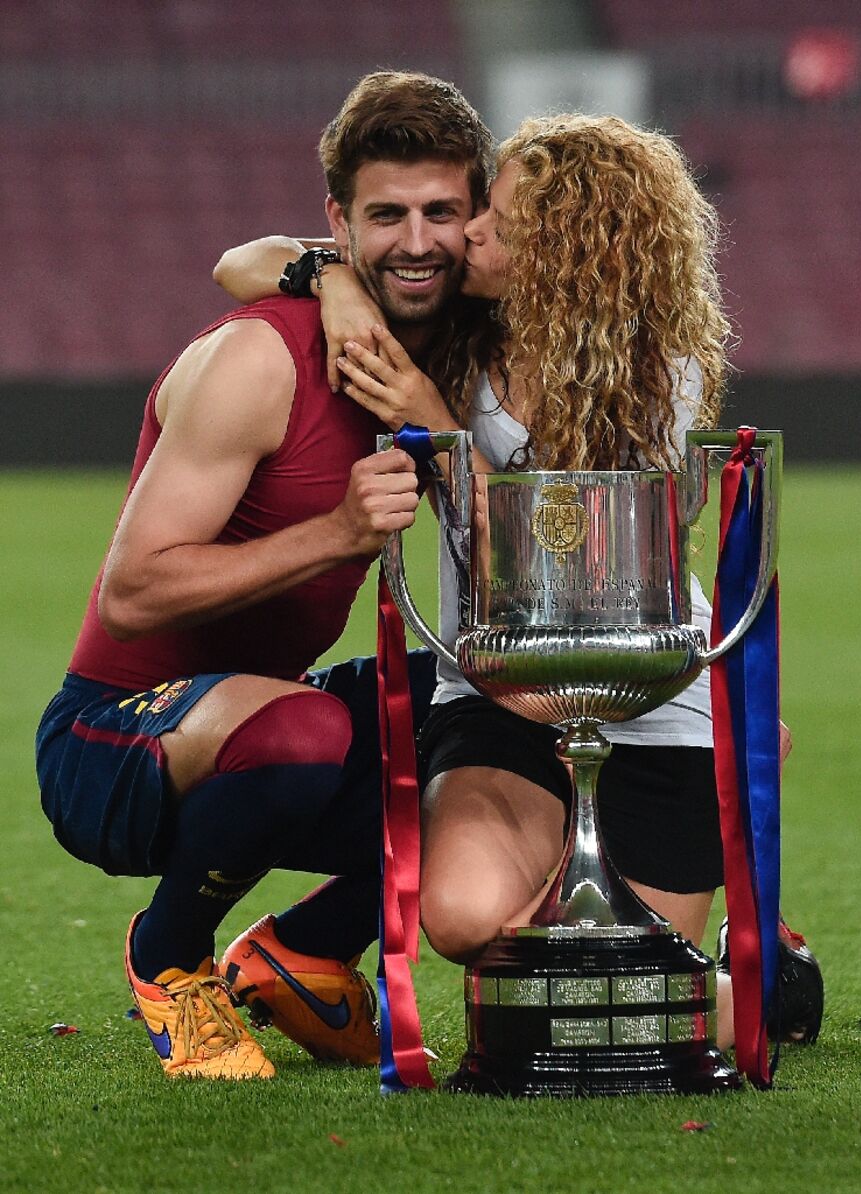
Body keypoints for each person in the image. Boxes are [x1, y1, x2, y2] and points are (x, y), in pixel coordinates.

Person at [216, 113, 823, 1050]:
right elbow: (240, 263)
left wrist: (440, 430)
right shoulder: (459, 320)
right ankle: (669, 904)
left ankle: (750, 945)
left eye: (499, 218)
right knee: (462, 918)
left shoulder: (658, 371)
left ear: (567, 247)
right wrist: (333, 283)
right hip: (497, 685)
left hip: (647, 694)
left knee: (636, 1013)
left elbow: (573, 555)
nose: (472, 234)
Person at [35, 70, 494, 1080]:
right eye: (385, 216)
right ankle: (169, 960)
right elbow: (135, 592)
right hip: (114, 742)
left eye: (440, 212)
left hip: (272, 720)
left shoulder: (450, 356)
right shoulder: (264, 359)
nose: (415, 241)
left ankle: (304, 950)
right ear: (339, 220)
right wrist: (335, 531)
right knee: (304, 729)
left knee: (505, 722)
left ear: (476, 217)